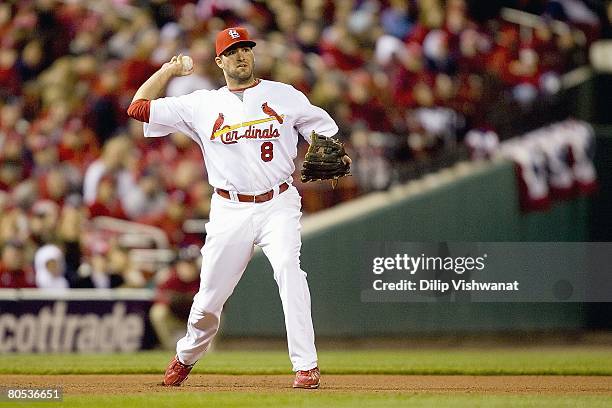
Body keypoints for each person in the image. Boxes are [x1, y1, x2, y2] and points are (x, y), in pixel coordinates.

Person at [127, 27, 350, 389]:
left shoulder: (285, 95)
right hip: (229, 210)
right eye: (232, 51)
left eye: (245, 48)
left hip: (279, 202)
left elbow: (323, 131)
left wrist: (330, 145)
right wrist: (167, 71)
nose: (241, 55)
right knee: (208, 301)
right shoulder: (201, 104)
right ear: (220, 61)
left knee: (289, 273)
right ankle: (185, 357)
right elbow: (137, 107)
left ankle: (306, 367)